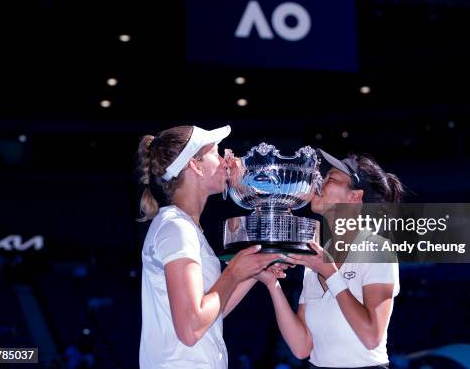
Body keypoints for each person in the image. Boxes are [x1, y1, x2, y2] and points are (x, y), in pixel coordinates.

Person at [137, 125, 284, 368]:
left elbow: (210, 316)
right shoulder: (176, 228)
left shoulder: (185, 228)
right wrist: (234, 271)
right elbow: (191, 328)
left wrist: (251, 273)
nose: (226, 161)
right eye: (216, 154)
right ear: (195, 165)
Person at [258, 149, 403, 368]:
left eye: (330, 178)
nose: (318, 183)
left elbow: (371, 336)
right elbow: (301, 347)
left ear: (354, 197)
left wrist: (330, 273)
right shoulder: (317, 255)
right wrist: (272, 284)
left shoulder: (377, 250)